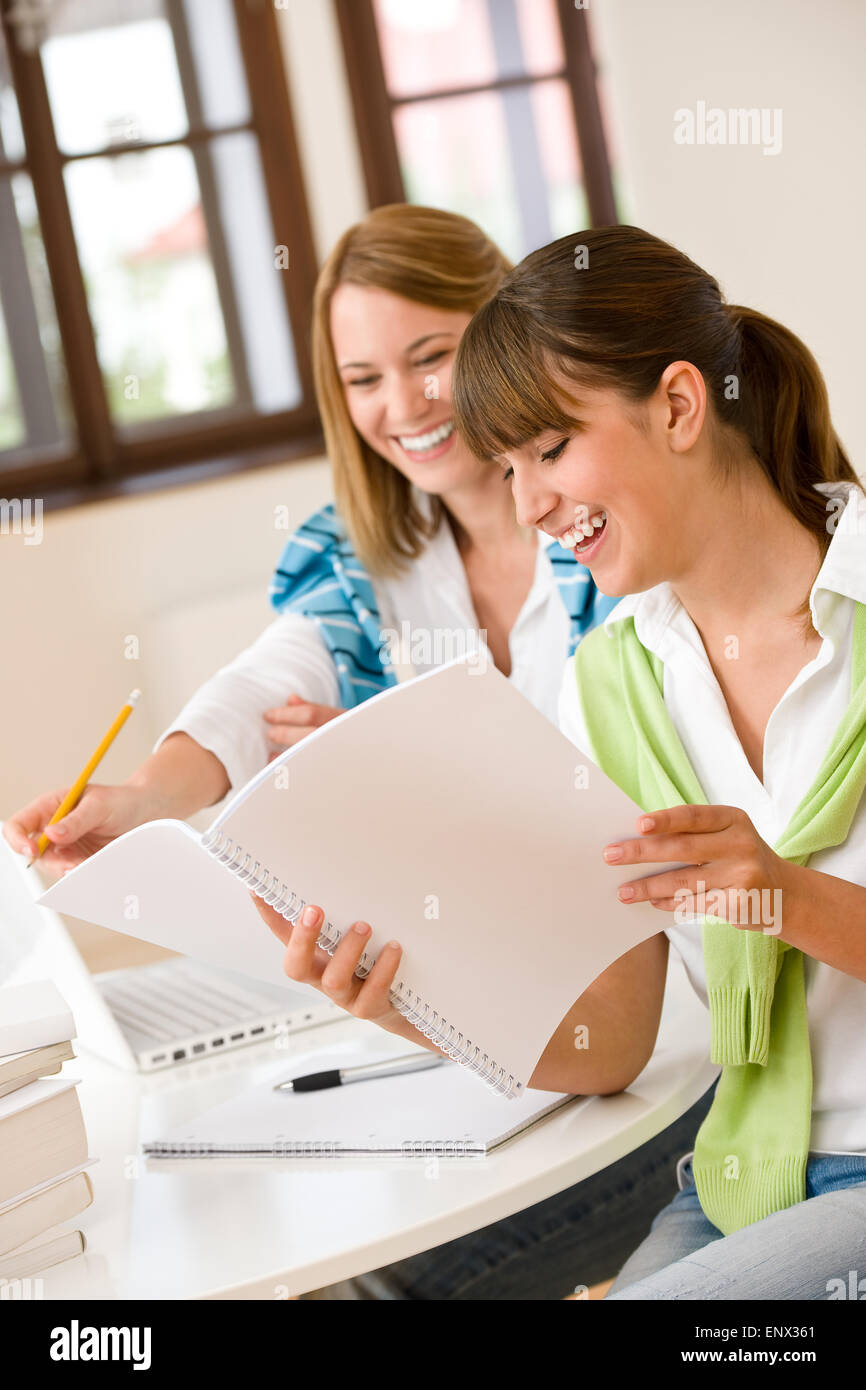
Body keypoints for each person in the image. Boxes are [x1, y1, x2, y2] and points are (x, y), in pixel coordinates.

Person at [5, 207, 714, 1300]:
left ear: (502, 336)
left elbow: (602, 796)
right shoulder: (359, 550)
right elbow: (262, 682)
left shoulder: (605, 533)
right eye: (364, 377)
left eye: (433, 357)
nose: (404, 405)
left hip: (657, 1032)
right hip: (488, 1029)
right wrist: (149, 795)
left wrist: (412, 777)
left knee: (397, 1283)